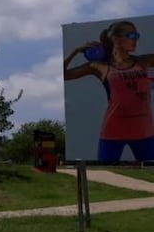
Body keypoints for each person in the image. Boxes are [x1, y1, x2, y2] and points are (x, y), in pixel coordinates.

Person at [64, 20, 154, 162]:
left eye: (137, 35)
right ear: (115, 38)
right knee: (105, 172)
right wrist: (76, 51)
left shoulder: (144, 61)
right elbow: (64, 74)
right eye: (131, 35)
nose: (135, 39)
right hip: (113, 131)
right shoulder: (100, 66)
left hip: (144, 130)